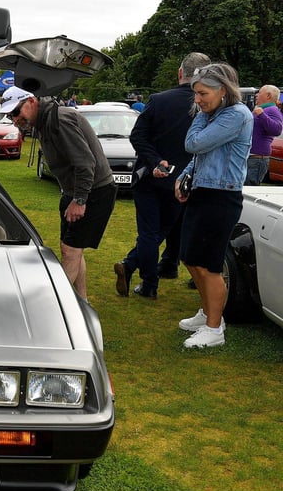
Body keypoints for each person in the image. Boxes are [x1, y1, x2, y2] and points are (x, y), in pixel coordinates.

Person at [0, 86, 117, 299]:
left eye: (16, 112)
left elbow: (85, 163)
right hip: (75, 191)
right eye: (10, 115)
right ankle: (82, 301)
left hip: (94, 190)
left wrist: (80, 200)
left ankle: (56, 305)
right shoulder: (44, 121)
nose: (15, 119)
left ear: (32, 101)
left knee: (70, 251)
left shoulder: (59, 120)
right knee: (71, 248)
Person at [115, 52, 211, 300]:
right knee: (159, 232)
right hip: (184, 181)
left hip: (152, 176)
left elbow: (137, 136)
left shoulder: (160, 100)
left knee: (150, 233)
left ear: (180, 72)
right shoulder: (209, 106)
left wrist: (155, 160)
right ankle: (141, 270)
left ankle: (147, 282)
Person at [175, 63, 252, 348]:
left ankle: (214, 328)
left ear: (223, 90)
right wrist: (184, 177)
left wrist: (199, 116)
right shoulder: (217, 113)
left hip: (221, 197)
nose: (197, 100)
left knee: (209, 266)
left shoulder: (235, 115)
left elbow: (194, 144)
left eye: (202, 94)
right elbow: (200, 156)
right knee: (191, 258)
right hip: (204, 192)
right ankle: (208, 312)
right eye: (195, 94)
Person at [245, 85, 283, 185]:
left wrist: (262, 115)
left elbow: (277, 130)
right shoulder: (261, 110)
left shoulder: (272, 110)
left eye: (260, 92)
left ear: (268, 96)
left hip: (256, 159)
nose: (256, 95)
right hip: (251, 157)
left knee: (249, 191)